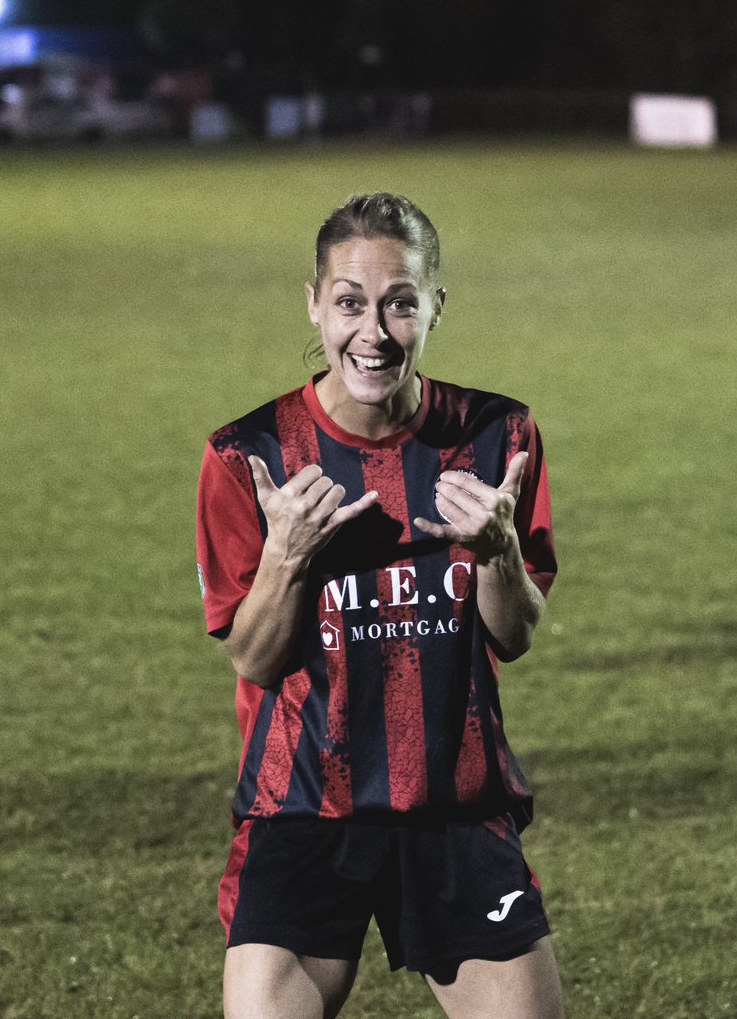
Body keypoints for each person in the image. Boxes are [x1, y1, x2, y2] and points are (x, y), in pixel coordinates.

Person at [195, 193, 565, 1019]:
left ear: (436, 305)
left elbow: (514, 635)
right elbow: (253, 658)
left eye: (400, 303)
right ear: (314, 305)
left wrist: (497, 548)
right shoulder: (248, 456)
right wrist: (287, 555)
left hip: (455, 805)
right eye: (350, 303)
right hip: (302, 807)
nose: (374, 332)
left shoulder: (497, 436)